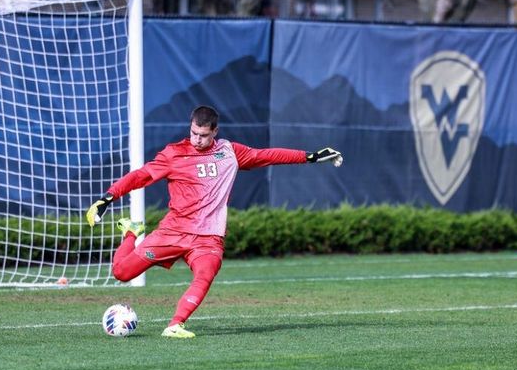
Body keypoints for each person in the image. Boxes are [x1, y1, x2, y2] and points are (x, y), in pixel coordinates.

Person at [86, 105, 342, 338]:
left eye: (204, 135)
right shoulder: (174, 154)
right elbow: (140, 176)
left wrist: (310, 156)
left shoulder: (230, 152)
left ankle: (175, 324)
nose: (197, 139)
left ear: (215, 132)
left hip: (208, 237)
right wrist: (106, 199)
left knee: (206, 273)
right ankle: (131, 231)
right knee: (122, 273)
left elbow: (268, 155)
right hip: (173, 232)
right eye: (194, 133)